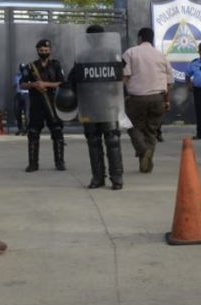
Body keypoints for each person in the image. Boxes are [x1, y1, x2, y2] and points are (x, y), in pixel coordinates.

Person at [67, 24, 125, 190]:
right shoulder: (109, 54)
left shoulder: (85, 56)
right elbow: (122, 74)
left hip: (96, 104)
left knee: (97, 141)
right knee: (110, 141)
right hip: (104, 104)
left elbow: (72, 80)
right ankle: (115, 179)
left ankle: (100, 178)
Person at [122, 27, 172, 173]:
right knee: (151, 131)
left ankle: (143, 151)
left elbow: (125, 76)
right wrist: (166, 100)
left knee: (133, 127)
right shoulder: (161, 56)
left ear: (139, 38)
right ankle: (145, 163)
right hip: (158, 98)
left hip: (137, 98)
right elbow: (169, 82)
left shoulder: (130, 53)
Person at [20, 39, 66, 171]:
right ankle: (33, 164)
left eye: (46, 50)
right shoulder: (30, 67)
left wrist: (45, 84)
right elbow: (22, 84)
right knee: (33, 132)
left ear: (50, 50)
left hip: (52, 102)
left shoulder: (56, 65)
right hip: (36, 103)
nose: (44, 52)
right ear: (37, 51)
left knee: (57, 131)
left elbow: (62, 83)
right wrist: (34, 84)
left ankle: (60, 162)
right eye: (41, 50)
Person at [13, 63, 29, 135]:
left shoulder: (28, 76)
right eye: (21, 68)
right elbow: (14, 86)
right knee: (17, 112)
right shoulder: (16, 76)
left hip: (26, 95)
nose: (22, 70)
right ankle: (20, 128)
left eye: (23, 68)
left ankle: (27, 129)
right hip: (18, 95)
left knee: (27, 113)